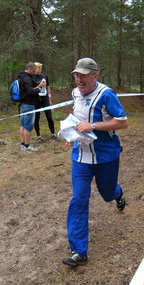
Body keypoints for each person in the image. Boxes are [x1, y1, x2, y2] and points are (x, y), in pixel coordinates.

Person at [62, 58, 129, 267]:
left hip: (105, 156)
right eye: (76, 75)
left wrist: (92, 126)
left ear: (95, 75)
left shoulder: (106, 94)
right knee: (79, 199)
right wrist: (70, 134)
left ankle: (118, 194)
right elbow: (77, 117)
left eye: (83, 75)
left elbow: (123, 122)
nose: (78, 79)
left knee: (107, 193)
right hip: (81, 157)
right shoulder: (75, 93)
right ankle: (79, 251)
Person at [18, 62, 44, 152]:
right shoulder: (26, 78)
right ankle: (27, 145)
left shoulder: (21, 77)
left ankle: (22, 144)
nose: (34, 73)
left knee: (23, 125)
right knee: (28, 126)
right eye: (33, 71)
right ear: (29, 69)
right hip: (28, 105)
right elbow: (30, 91)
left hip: (23, 104)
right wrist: (38, 89)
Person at [32, 62, 57, 141]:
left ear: (40, 68)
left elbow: (48, 88)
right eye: (35, 68)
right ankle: (38, 136)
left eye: (38, 68)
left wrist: (49, 99)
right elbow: (31, 89)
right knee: (36, 118)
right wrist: (39, 85)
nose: (36, 69)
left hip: (45, 99)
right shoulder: (31, 77)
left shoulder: (45, 76)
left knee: (49, 117)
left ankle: (53, 133)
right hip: (36, 99)